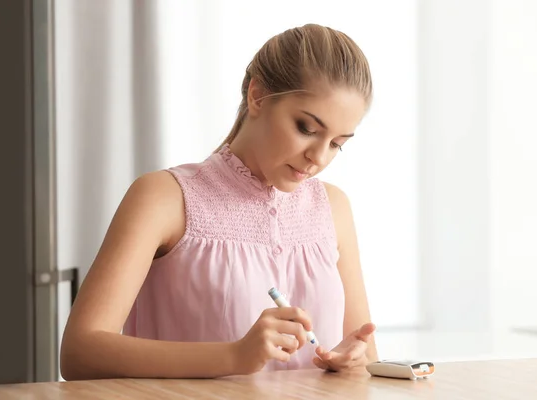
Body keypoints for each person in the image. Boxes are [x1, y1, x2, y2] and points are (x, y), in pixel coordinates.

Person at [60, 23, 378, 380]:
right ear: (258, 96)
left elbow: (366, 356)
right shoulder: (164, 198)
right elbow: (80, 353)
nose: (318, 157)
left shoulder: (333, 208)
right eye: (306, 128)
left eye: (337, 143)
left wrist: (352, 359)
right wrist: (233, 356)